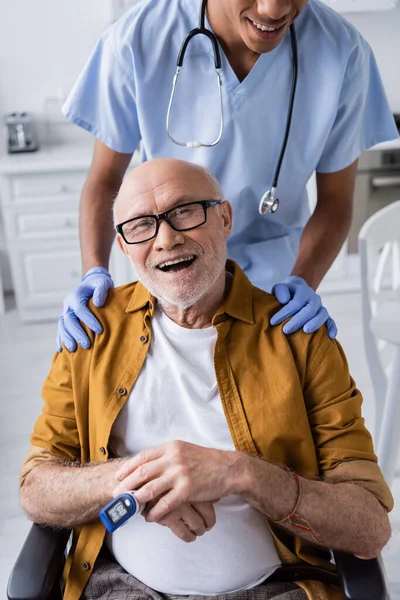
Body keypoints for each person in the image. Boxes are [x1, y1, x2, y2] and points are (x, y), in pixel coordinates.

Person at [21, 158, 393, 600]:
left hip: (277, 587)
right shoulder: (90, 333)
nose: (166, 238)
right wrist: (136, 479)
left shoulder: (301, 340)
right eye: (141, 225)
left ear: (225, 218)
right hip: (122, 586)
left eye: (185, 211)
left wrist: (241, 474)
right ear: (123, 247)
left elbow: (369, 526)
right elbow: (36, 487)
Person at [57, 0, 398, 353]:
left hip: (275, 282)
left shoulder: (342, 52)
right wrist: (94, 272)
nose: (272, 9)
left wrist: (302, 282)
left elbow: (336, 203)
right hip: (171, 269)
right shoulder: (137, 38)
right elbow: (104, 181)